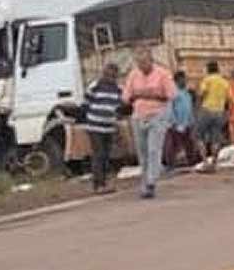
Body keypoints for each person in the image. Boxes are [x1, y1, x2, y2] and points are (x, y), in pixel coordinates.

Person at [122, 46, 176, 199]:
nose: (142, 66)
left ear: (151, 61)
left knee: (153, 149)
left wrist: (149, 94)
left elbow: (171, 94)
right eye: (139, 63)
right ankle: (145, 183)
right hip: (139, 115)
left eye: (144, 62)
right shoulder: (133, 75)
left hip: (157, 115)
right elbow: (126, 97)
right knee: (142, 152)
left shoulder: (162, 74)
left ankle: (151, 180)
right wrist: (139, 95)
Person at [83, 63, 122, 193]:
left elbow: (119, 107)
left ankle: (104, 182)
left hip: (109, 127)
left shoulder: (118, 89)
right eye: (108, 74)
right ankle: (98, 184)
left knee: (106, 155)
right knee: (98, 154)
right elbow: (86, 103)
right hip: (95, 126)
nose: (110, 77)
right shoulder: (95, 86)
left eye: (113, 75)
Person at [196, 61, 231, 165]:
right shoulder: (225, 82)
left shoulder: (207, 80)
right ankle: (214, 162)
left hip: (206, 110)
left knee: (199, 136)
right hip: (219, 112)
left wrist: (197, 107)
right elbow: (230, 100)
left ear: (208, 69)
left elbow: (202, 94)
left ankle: (205, 161)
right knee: (215, 138)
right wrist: (228, 113)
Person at [164, 71, 198, 168]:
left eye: (185, 79)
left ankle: (191, 162)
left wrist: (192, 122)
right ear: (177, 81)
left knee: (189, 143)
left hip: (187, 123)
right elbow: (169, 108)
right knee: (173, 144)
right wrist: (174, 122)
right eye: (182, 79)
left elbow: (189, 108)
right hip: (176, 124)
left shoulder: (187, 93)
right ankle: (171, 164)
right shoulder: (172, 93)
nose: (184, 81)